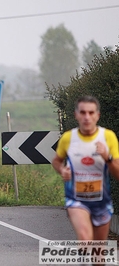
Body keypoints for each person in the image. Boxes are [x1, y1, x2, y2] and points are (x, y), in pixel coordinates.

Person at [52, 95, 119, 242]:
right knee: (85, 237)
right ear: (76, 115)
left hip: (101, 201)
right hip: (76, 200)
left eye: (91, 113)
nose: (87, 117)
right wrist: (62, 170)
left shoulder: (108, 137)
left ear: (97, 115)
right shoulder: (68, 138)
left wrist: (107, 157)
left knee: (98, 256)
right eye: (82, 113)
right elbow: (56, 161)